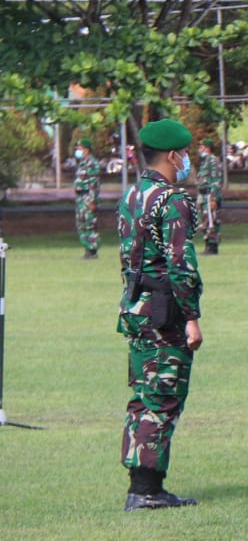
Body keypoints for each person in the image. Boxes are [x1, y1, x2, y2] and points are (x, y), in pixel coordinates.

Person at [117, 119, 203, 511]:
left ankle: (142, 483)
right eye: (184, 154)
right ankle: (147, 490)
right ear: (172, 155)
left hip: (137, 306)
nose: (186, 160)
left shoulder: (132, 195)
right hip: (164, 312)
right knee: (163, 396)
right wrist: (192, 318)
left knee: (143, 396)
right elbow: (181, 265)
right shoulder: (171, 201)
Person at [73, 137, 102, 259]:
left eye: (79, 148)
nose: (78, 150)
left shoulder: (92, 163)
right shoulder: (82, 163)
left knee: (90, 223)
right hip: (81, 198)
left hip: (87, 197)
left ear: (86, 149)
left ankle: (92, 250)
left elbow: (94, 184)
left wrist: (92, 200)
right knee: (82, 223)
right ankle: (87, 249)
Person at [194, 138, 223, 255]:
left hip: (209, 196)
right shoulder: (204, 162)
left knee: (211, 220)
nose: (199, 150)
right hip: (203, 196)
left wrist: (213, 198)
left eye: (201, 147)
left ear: (208, 148)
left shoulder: (213, 161)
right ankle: (207, 245)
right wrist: (198, 200)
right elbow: (201, 183)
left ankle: (212, 246)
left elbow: (216, 181)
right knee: (204, 221)